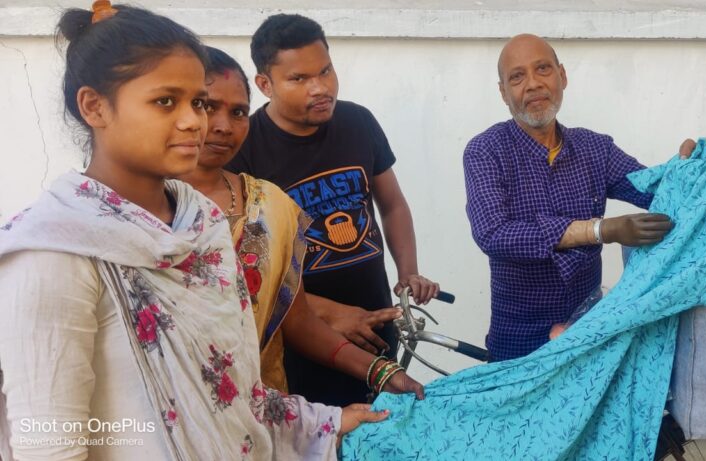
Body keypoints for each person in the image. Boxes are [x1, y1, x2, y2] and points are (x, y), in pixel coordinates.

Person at [0, 4, 385, 459]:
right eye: (166, 101)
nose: (195, 121)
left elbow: (235, 395)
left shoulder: (201, 222)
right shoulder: (52, 253)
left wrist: (329, 421)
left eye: (196, 101)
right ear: (94, 107)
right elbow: (50, 447)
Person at [178, 46, 424, 400]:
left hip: (264, 400)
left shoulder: (267, 203)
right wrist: (333, 314)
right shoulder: (133, 209)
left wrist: (380, 371)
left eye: (238, 112)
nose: (223, 126)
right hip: (172, 404)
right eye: (206, 106)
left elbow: (291, 314)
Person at [226, 13, 439, 407]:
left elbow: (392, 204)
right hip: (301, 341)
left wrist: (408, 272)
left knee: (381, 423)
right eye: (299, 79)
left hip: (376, 323)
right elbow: (245, 268)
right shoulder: (246, 149)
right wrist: (329, 313)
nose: (320, 88)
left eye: (325, 71)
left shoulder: (359, 122)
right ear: (265, 84)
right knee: (320, 432)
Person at [464, 34, 706, 361]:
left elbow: (654, 191)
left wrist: (693, 170)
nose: (533, 84)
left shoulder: (595, 149)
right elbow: (494, 234)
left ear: (562, 76)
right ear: (503, 93)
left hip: (589, 332)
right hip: (518, 340)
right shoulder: (485, 151)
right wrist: (599, 230)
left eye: (543, 69)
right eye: (517, 77)